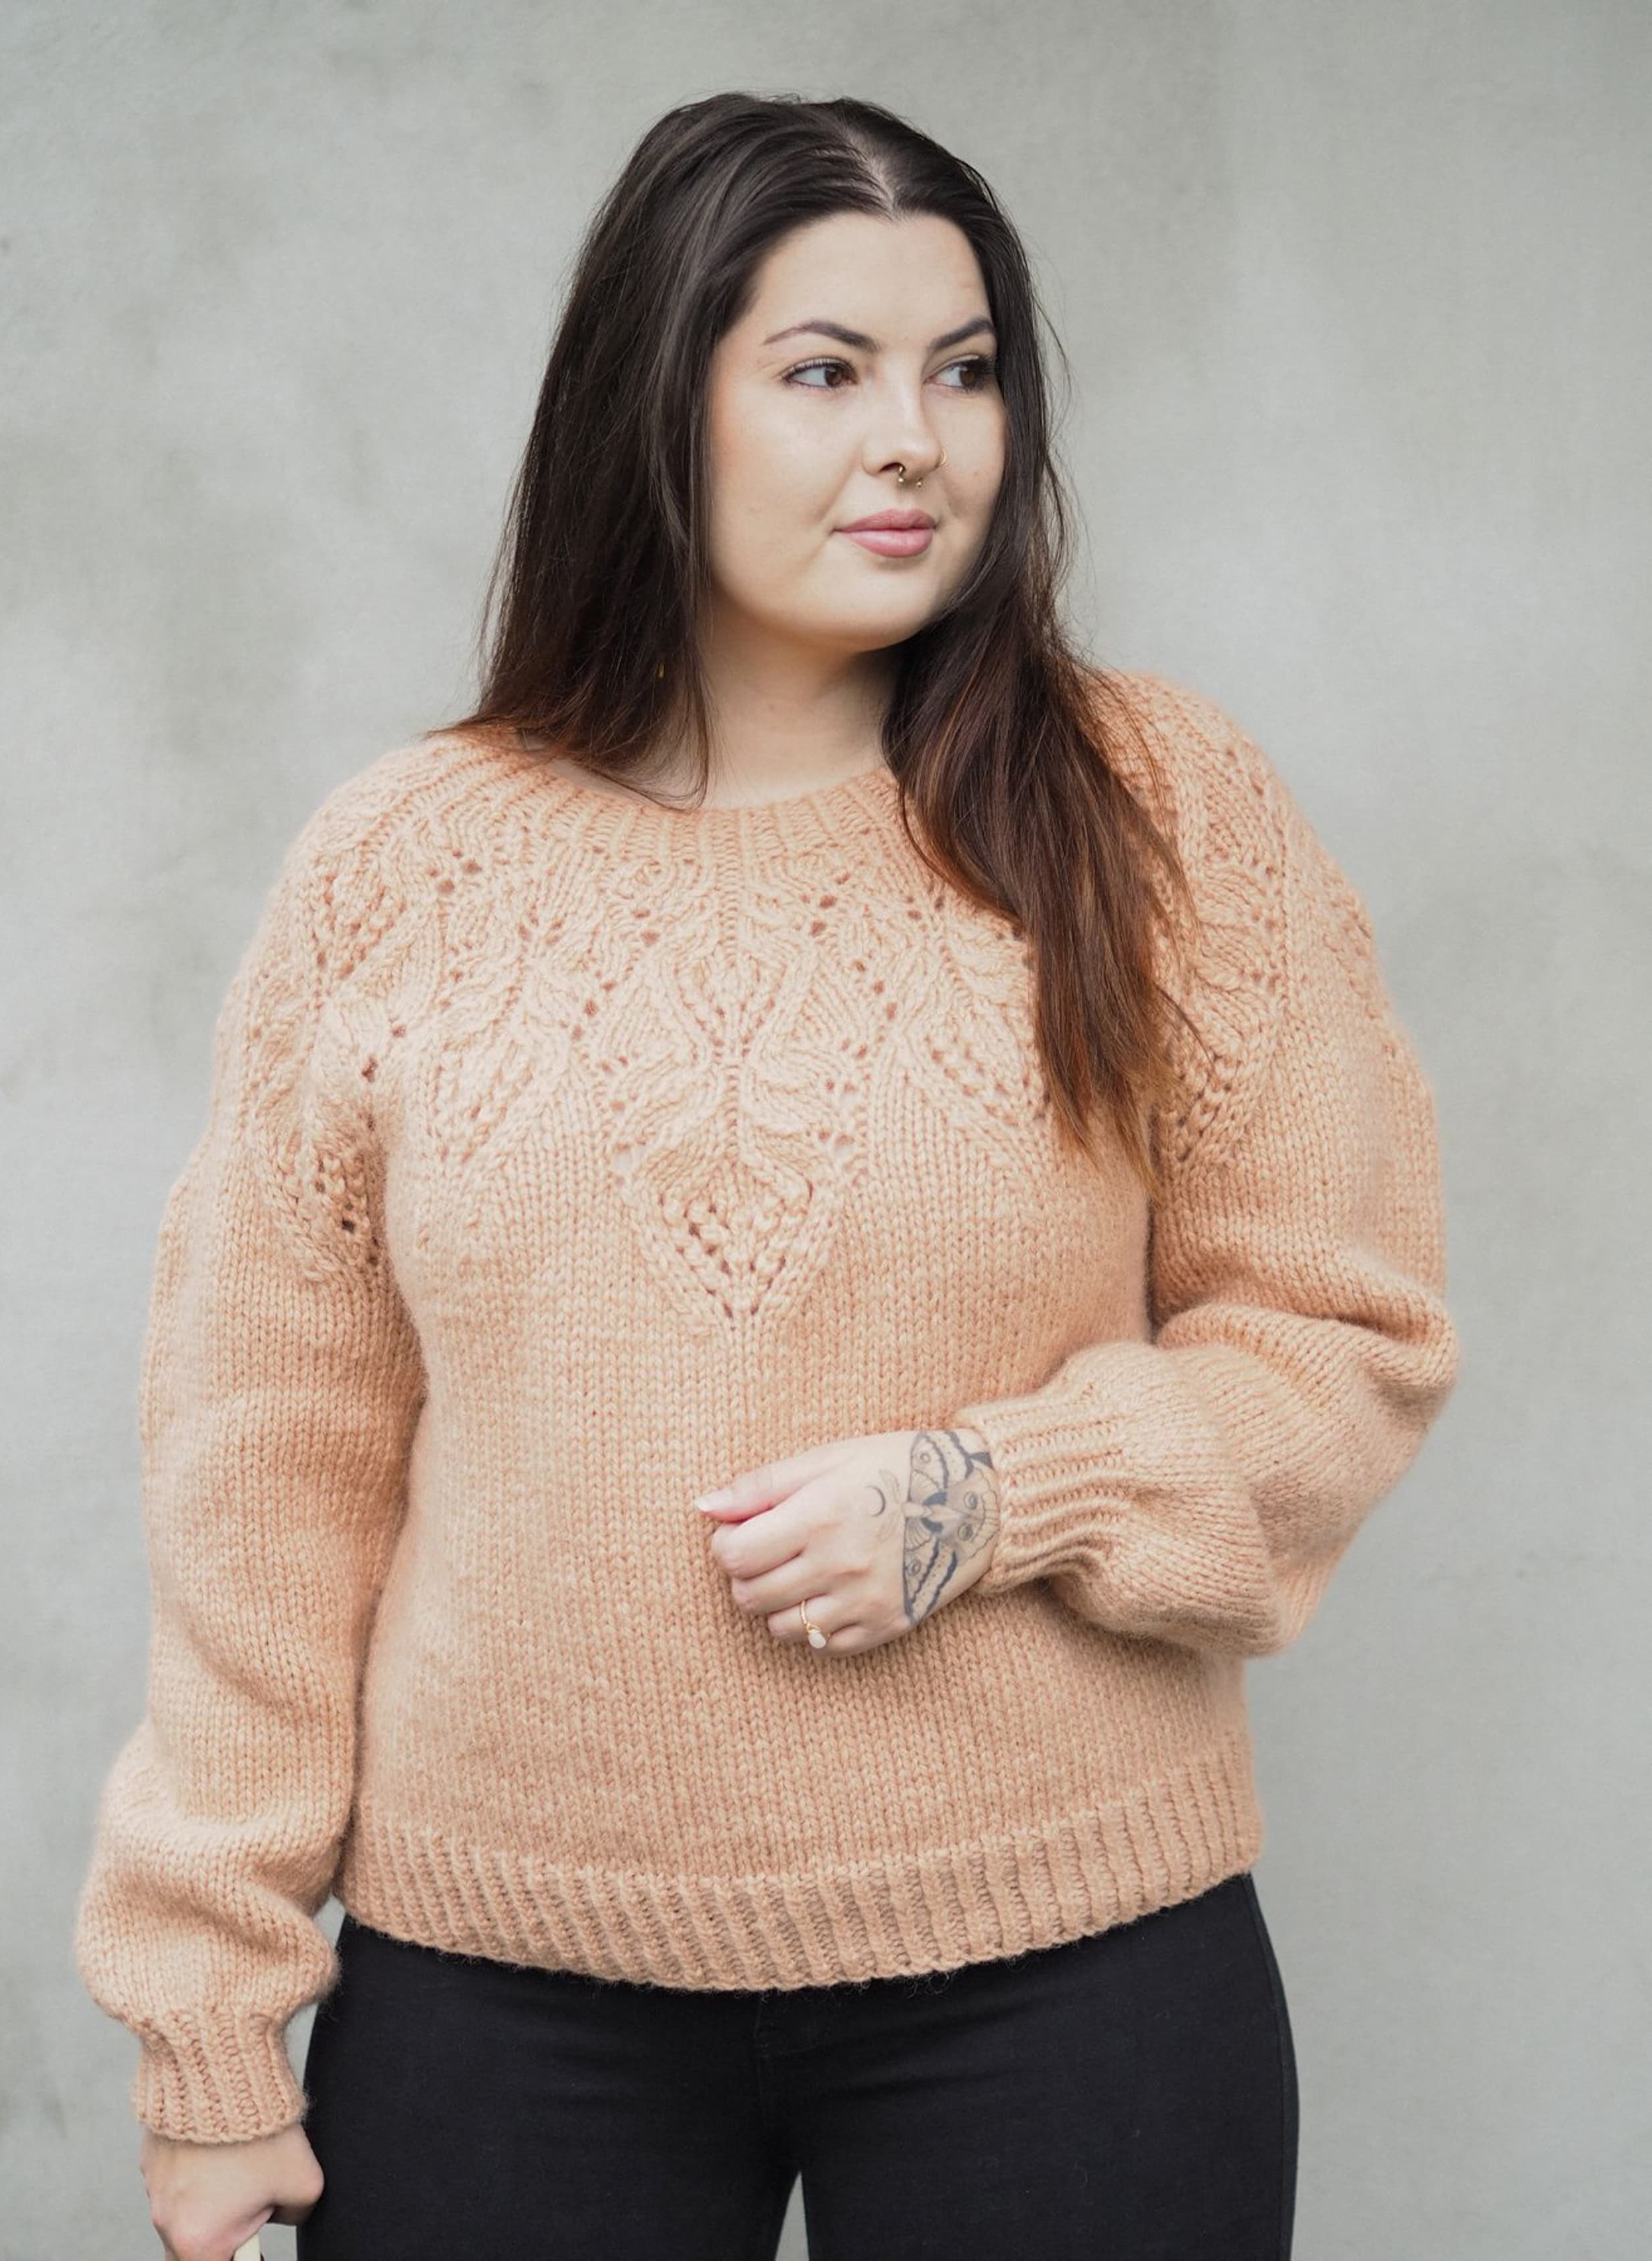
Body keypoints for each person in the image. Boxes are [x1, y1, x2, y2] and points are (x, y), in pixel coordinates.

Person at [73, 90, 1460, 2261]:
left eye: (965, 370)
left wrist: (997, 1492)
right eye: (826, 371)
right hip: (504, 1987)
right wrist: (209, 2015)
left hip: (1067, 1964)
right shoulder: (401, 866)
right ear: (660, 399)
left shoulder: (1158, 811)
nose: (917, 442)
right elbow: (264, 1459)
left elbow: (1343, 1332)